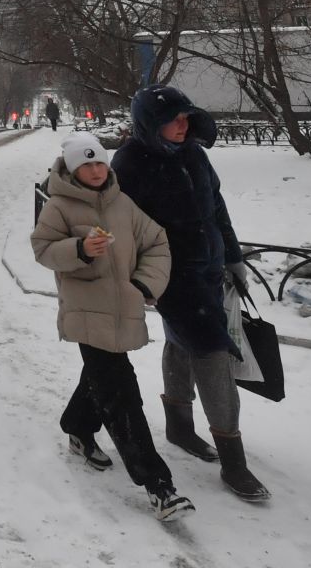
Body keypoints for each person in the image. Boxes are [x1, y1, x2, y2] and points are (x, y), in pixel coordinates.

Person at [112, 83, 271, 503]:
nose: (182, 126)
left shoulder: (195, 155)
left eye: (186, 118)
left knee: (181, 343)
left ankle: (179, 425)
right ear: (150, 123)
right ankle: (233, 460)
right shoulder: (129, 163)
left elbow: (217, 209)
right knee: (212, 352)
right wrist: (138, 279)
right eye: (172, 120)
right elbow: (122, 228)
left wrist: (233, 259)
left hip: (211, 269)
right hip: (170, 275)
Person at [32, 132, 192, 522]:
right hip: (87, 311)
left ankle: (76, 427)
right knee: (121, 392)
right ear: (72, 168)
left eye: (100, 162)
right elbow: (42, 249)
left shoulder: (123, 204)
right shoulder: (59, 207)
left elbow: (157, 242)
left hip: (123, 308)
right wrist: (80, 251)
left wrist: (144, 284)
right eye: (86, 164)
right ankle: (158, 486)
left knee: (101, 379)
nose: (95, 170)